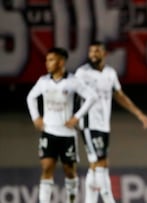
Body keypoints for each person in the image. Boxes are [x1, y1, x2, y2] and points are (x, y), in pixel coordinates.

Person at [75, 41, 147, 203]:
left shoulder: (110, 73)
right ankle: (109, 199)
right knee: (102, 162)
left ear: (105, 54)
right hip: (89, 124)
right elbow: (72, 95)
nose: (93, 55)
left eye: (96, 51)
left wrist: (139, 114)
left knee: (95, 164)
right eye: (91, 52)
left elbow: (120, 96)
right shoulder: (82, 73)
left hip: (104, 125)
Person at [26, 47, 97, 203]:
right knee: (46, 167)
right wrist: (36, 117)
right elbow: (30, 97)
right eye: (47, 60)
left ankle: (71, 199)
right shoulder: (43, 81)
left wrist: (77, 117)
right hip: (48, 131)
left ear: (61, 62)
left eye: (51, 60)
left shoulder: (72, 81)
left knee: (69, 171)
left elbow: (92, 97)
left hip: (67, 134)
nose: (47, 63)